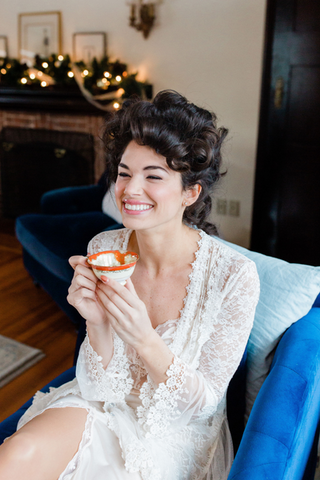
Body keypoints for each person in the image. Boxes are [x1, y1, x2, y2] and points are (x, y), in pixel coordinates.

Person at [0, 90, 260, 480]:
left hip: (175, 433)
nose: (129, 190)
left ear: (191, 192)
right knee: (18, 453)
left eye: (153, 176)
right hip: (103, 405)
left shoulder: (234, 277)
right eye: (123, 173)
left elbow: (203, 405)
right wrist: (96, 321)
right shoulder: (104, 247)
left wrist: (143, 338)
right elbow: (96, 385)